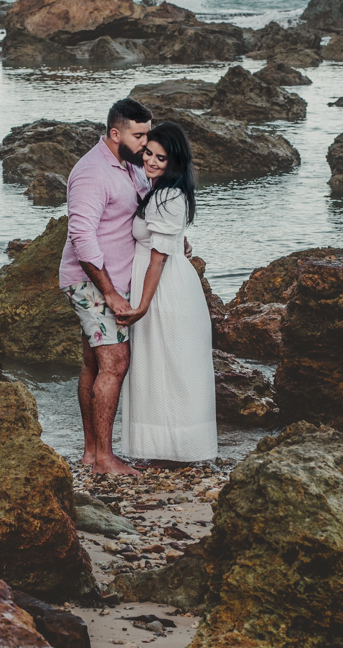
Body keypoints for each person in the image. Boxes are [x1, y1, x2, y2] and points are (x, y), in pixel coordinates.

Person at [60, 98, 152, 476]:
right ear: (116, 134)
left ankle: (90, 452)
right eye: (139, 135)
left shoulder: (131, 165)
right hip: (91, 282)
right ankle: (104, 458)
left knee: (93, 363)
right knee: (115, 363)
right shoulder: (91, 172)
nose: (146, 142)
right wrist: (110, 292)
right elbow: (81, 237)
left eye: (147, 134)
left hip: (111, 279)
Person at [117, 122, 217, 463]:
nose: (151, 161)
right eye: (148, 153)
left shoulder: (167, 195)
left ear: (174, 161)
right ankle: (165, 448)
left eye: (161, 158)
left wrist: (142, 306)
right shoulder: (161, 190)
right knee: (162, 365)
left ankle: (179, 449)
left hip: (164, 289)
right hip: (162, 282)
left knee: (171, 365)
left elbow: (158, 258)